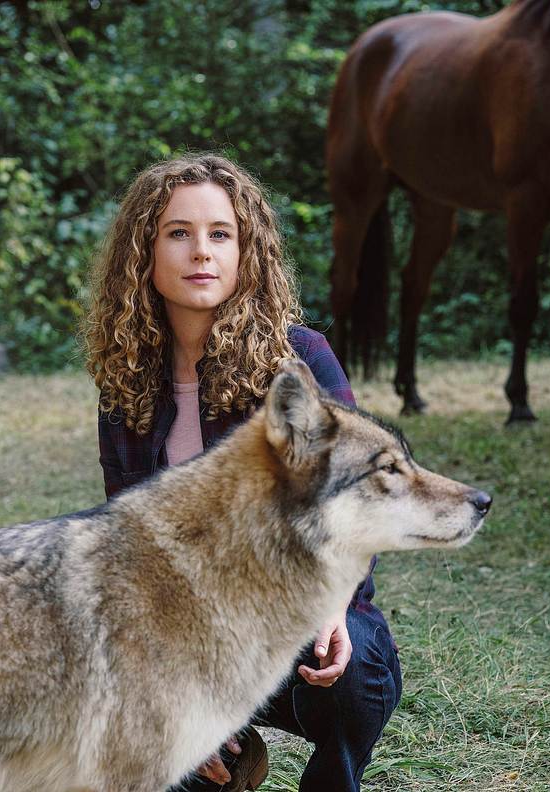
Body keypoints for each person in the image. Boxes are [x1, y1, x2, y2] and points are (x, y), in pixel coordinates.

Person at [81, 154, 401, 792]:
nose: (201, 251)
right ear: (143, 252)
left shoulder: (299, 359)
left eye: (220, 234)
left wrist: (334, 605)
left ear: (245, 251)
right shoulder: (125, 381)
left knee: (355, 668)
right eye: (178, 233)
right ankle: (228, 757)